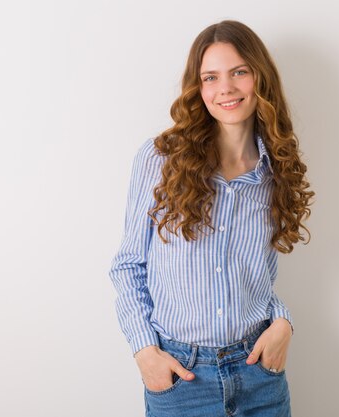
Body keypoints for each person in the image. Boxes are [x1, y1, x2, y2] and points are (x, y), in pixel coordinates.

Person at [109, 19, 314, 417]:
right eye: (211, 77)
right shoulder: (160, 160)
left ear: (260, 78)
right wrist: (145, 353)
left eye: (239, 72)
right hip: (182, 379)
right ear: (198, 88)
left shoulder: (276, 170)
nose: (226, 88)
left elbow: (259, 272)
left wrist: (283, 323)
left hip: (260, 375)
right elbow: (128, 265)